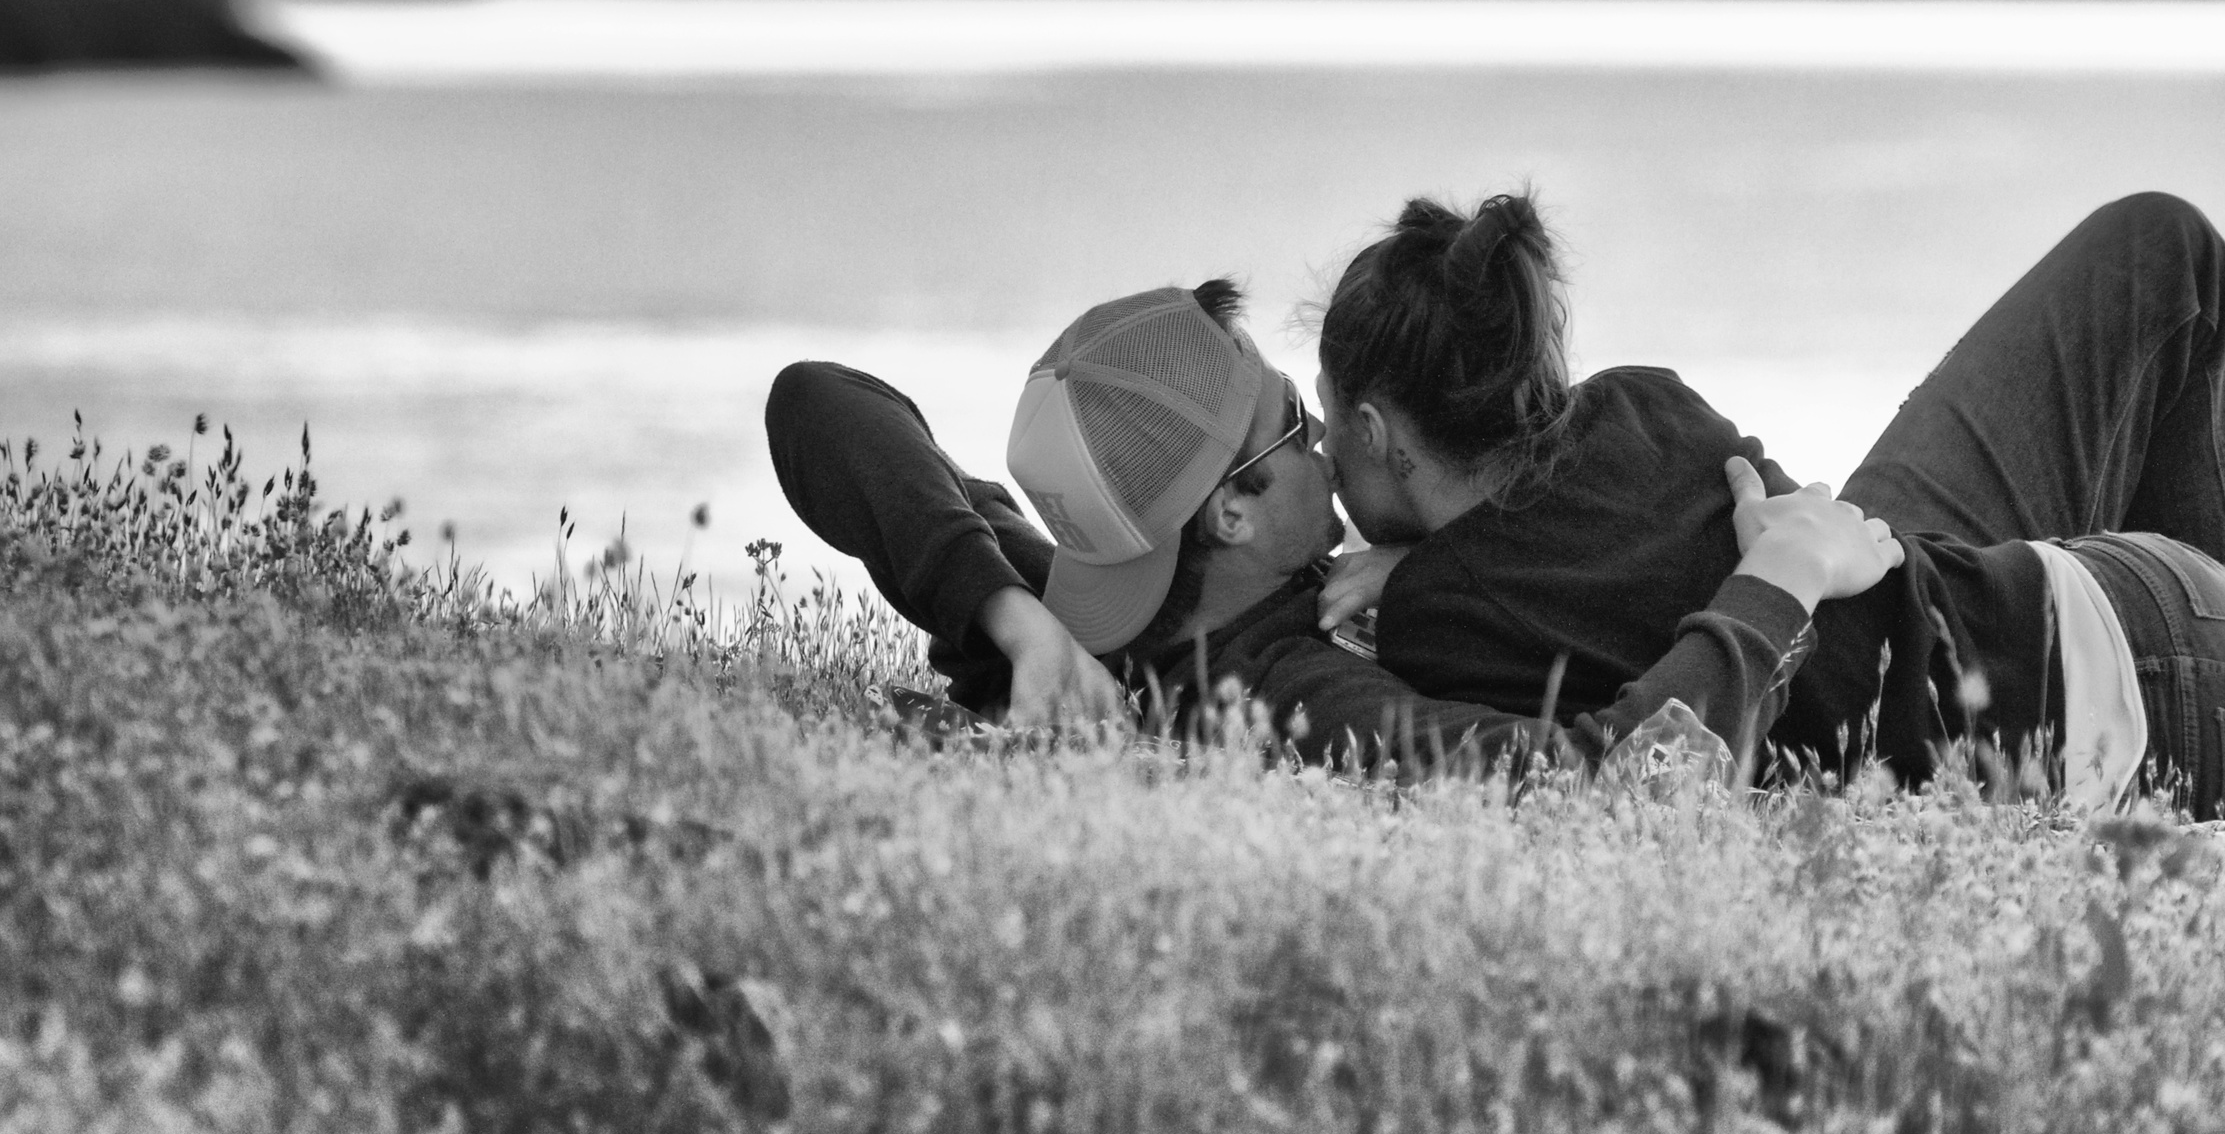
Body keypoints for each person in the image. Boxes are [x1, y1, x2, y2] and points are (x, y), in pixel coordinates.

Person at [1314, 189, 2225, 821]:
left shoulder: (1438, 626)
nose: (1322, 464)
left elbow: (1587, 692)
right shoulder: (1642, 402)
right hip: (2099, 582)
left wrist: (1408, 584)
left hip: (2120, 706)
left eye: (1327, 429)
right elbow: (1804, 531)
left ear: (1376, 432)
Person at [765, 279, 1898, 770]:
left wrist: (1015, 618)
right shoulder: (1294, 698)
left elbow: (820, 400)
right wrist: (1778, 584)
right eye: (1295, 429)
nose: (1325, 448)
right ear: (1234, 507)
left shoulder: (1071, 610)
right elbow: (1615, 787)